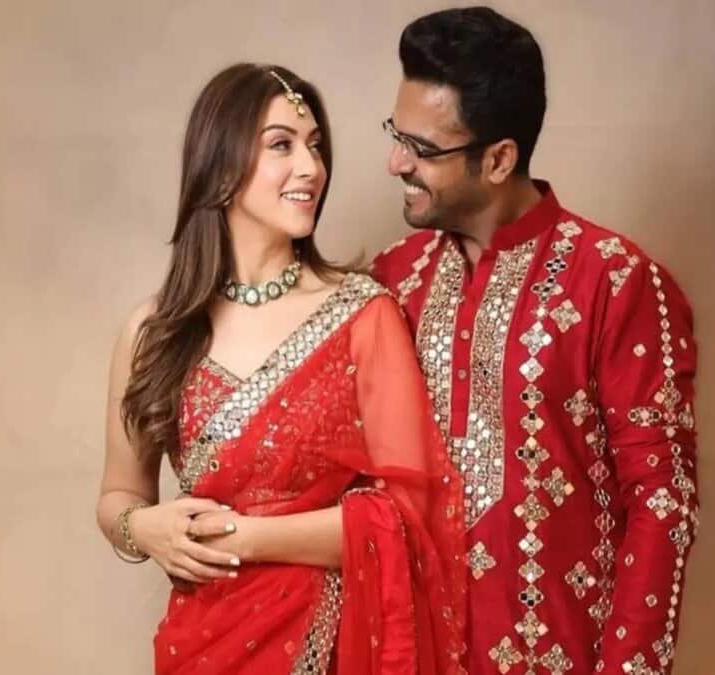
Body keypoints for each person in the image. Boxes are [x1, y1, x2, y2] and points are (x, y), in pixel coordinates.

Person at [96, 63, 466, 674]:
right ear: (219, 170)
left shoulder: (362, 315)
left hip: (327, 640)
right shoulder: (155, 331)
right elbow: (118, 496)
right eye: (281, 145)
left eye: (315, 146)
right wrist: (144, 529)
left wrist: (242, 538)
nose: (311, 168)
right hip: (202, 641)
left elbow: (409, 514)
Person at [371, 8, 700, 675]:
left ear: (498, 159)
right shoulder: (391, 281)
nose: (395, 162)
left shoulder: (615, 281)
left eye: (422, 149)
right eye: (396, 135)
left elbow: (661, 502)